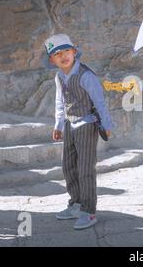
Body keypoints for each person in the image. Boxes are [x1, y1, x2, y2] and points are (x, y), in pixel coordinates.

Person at [44, 33, 113, 230]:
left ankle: (89, 211)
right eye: (57, 54)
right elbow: (60, 102)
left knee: (85, 169)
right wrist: (58, 125)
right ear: (52, 60)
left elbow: (99, 101)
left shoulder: (86, 75)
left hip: (87, 123)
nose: (62, 55)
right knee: (68, 166)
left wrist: (106, 125)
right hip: (69, 124)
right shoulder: (59, 76)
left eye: (66, 50)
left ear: (74, 52)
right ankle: (75, 203)